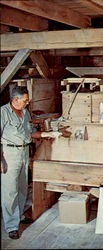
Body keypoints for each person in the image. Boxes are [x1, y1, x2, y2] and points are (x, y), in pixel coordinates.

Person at [1, 86, 61, 239]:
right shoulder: (3, 113)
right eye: (25, 100)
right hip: (9, 153)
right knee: (9, 192)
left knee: (21, 188)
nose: (27, 103)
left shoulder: (25, 112)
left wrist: (48, 134)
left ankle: (18, 216)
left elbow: (29, 133)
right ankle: (11, 226)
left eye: (27, 100)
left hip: (23, 152)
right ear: (15, 100)